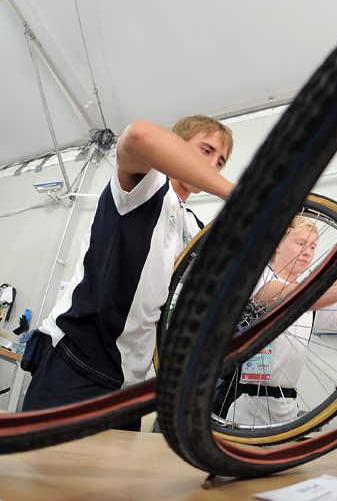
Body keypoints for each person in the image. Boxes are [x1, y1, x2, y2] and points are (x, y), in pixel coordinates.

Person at [22, 116, 235, 431]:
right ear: (177, 143)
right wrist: (238, 194)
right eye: (205, 151)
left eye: (220, 161)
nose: (213, 165)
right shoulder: (149, 184)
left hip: (129, 382)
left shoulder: (192, 226)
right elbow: (138, 135)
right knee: (37, 477)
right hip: (80, 361)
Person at [220, 215, 337, 426]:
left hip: (287, 408)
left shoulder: (312, 294)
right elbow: (299, 298)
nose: (308, 252)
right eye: (301, 243)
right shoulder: (259, 279)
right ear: (277, 244)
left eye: (313, 246)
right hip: (242, 407)